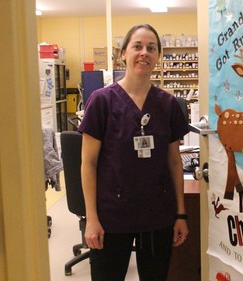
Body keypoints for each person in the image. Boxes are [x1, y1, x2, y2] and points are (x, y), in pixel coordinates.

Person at [78, 23, 190, 281]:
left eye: (151, 48)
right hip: (111, 215)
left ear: (158, 56)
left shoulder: (168, 104)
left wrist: (180, 214)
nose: (144, 53)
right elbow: (88, 163)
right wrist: (91, 219)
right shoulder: (102, 101)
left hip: (157, 213)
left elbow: (174, 161)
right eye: (137, 46)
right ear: (123, 54)